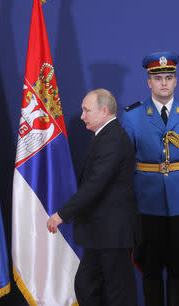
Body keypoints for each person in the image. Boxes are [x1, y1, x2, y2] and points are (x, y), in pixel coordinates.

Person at [47, 89, 139, 306]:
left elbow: (95, 185)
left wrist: (62, 214)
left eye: (87, 110)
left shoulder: (113, 139)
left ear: (104, 111)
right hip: (101, 232)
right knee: (87, 286)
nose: (82, 116)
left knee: (118, 293)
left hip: (112, 233)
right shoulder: (106, 136)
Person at [121, 51, 179, 306]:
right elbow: (123, 163)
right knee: (150, 268)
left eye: (169, 77)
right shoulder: (132, 116)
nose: (164, 83)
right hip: (146, 202)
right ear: (148, 82)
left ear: (177, 81)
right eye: (158, 79)